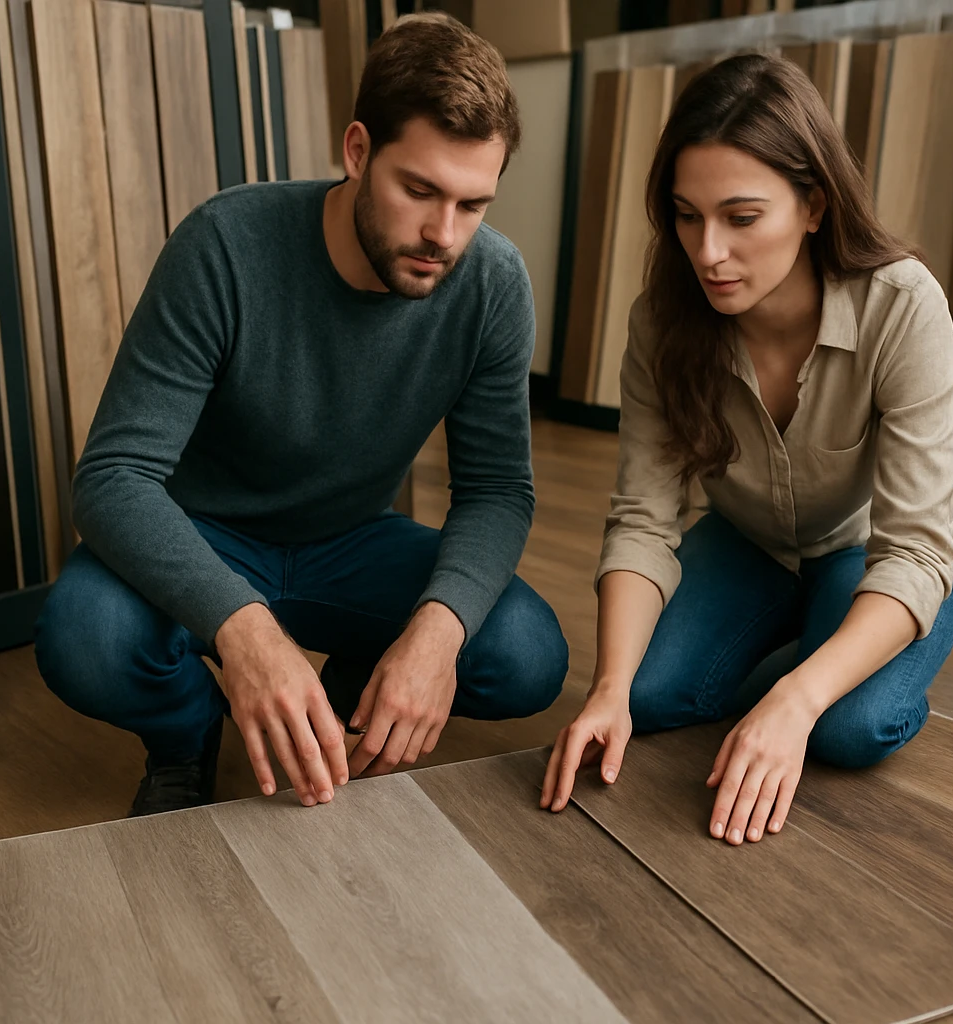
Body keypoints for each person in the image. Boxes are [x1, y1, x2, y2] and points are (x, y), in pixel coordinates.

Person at [36, 13, 567, 817]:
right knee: (84, 636)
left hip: (349, 541)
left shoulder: (492, 282)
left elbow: (496, 489)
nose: (442, 235)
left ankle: (349, 709)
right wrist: (243, 633)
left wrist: (434, 639)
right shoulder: (225, 244)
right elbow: (112, 479)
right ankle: (188, 734)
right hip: (206, 531)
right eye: (418, 190)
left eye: (472, 204)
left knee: (525, 652)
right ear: (357, 152)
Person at [542, 53, 953, 846]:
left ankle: (829, 649)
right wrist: (607, 687)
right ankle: (803, 634)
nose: (708, 252)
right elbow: (643, 520)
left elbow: (914, 548)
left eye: (742, 218)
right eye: (686, 215)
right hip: (751, 543)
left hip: (876, 546)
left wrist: (797, 700)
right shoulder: (661, 323)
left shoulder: (903, 306)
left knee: (849, 727)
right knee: (648, 696)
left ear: (813, 206)